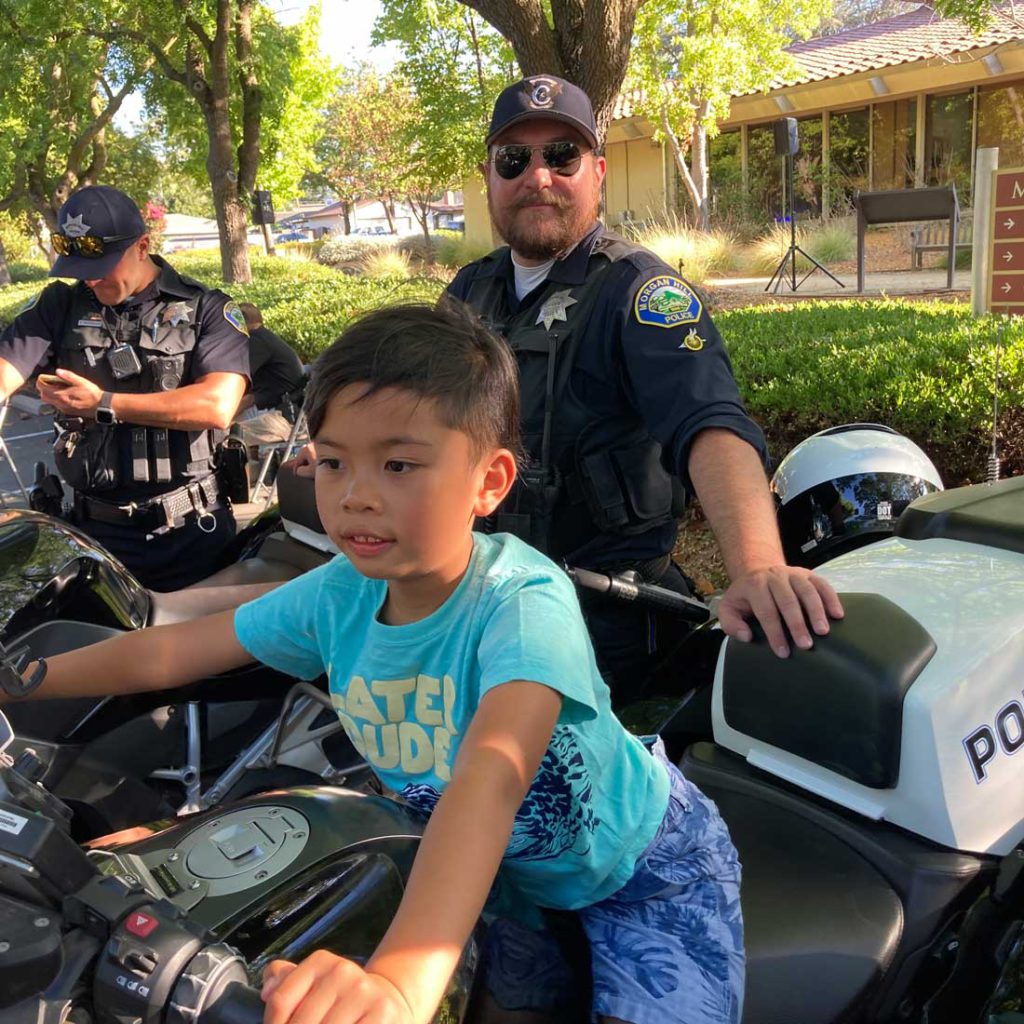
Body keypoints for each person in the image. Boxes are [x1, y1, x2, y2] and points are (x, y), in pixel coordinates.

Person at [8, 301, 745, 1024]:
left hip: (640, 873)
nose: (356, 497)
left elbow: (492, 777)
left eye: (398, 464)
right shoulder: (341, 593)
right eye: (333, 463)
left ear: (488, 482)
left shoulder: (523, 604)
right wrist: (17, 680)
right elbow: (170, 651)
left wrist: (397, 983)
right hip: (498, 875)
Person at [445, 74, 843, 699]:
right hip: (481, 599)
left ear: (597, 173)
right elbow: (421, 410)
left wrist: (759, 568)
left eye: (561, 156)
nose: (538, 177)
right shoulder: (471, 290)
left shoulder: (639, 292)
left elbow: (710, 424)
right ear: (491, 176)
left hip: (605, 620)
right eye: (514, 159)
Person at [0, 186, 250, 590]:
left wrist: (104, 403)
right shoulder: (60, 305)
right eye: (79, 265)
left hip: (190, 531)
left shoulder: (207, 308)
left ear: (142, 246)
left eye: (102, 263)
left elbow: (216, 405)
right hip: (94, 535)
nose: (91, 277)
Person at [234, 302, 306, 488]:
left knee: (226, 435)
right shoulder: (267, 339)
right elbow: (249, 396)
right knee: (230, 423)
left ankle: (239, 483)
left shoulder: (257, 342)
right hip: (291, 417)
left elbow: (235, 379)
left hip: (284, 421)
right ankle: (250, 479)